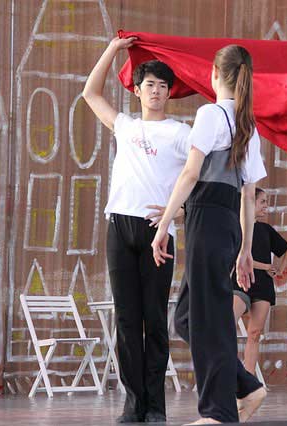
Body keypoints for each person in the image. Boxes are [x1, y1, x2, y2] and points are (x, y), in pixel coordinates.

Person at [152, 45, 267, 424]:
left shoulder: (211, 114)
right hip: (226, 222)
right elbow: (248, 194)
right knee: (188, 318)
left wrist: (165, 222)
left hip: (208, 219)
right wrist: (245, 248)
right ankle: (246, 385)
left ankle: (218, 411)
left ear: (215, 74)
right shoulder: (247, 124)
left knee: (209, 317)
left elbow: (190, 173)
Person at [83, 37, 191, 423]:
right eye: (149, 85)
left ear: (169, 92)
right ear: (137, 90)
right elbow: (90, 93)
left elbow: (201, 176)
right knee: (127, 320)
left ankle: (156, 406)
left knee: (154, 319)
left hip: (157, 231)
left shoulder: (181, 132)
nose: (156, 91)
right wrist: (113, 49)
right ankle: (133, 404)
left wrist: (180, 213)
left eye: (162, 85)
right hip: (120, 226)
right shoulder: (125, 126)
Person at [233, 187, 287, 374]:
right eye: (263, 202)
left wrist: (280, 269)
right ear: (250, 202)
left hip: (263, 286)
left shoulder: (266, 229)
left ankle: (249, 377)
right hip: (241, 283)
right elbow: (237, 257)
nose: (266, 206)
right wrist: (266, 266)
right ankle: (227, 372)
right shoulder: (236, 227)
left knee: (255, 333)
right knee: (227, 325)